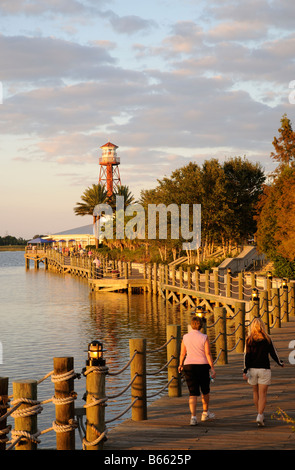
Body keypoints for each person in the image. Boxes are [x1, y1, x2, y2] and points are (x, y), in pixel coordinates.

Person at [243, 317, 284, 426]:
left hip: (252, 370)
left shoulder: (249, 339)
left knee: (255, 393)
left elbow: (247, 356)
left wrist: (245, 370)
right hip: (264, 369)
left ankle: (259, 414)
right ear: (263, 326)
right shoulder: (267, 339)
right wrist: (280, 363)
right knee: (263, 394)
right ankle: (260, 414)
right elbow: (273, 353)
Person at [178, 314, 216, 425]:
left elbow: (182, 353)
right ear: (201, 325)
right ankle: (205, 413)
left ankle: (193, 417)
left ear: (191, 325)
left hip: (189, 366)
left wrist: (180, 364)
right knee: (205, 391)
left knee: (192, 393)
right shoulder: (204, 337)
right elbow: (208, 354)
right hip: (202, 366)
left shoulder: (185, 337)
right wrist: (212, 368)